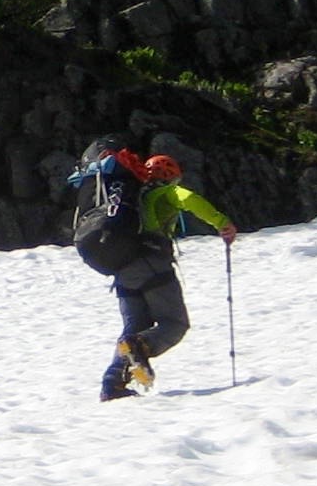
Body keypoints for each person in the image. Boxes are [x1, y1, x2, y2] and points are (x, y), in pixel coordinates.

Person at [67, 142, 238, 400]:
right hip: (152, 263)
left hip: (123, 266)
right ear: (169, 176)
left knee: (134, 326)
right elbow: (189, 199)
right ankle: (141, 347)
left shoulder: (131, 195)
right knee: (174, 323)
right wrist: (222, 223)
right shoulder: (164, 192)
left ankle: (112, 385)